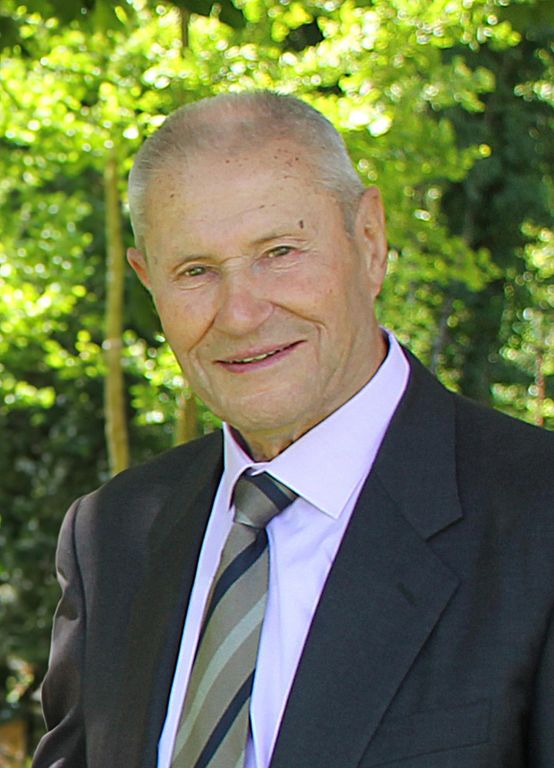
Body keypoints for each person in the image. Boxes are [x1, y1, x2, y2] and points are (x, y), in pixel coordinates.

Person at [33, 91, 554, 768]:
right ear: (147, 280)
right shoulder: (111, 536)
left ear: (370, 241)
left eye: (279, 252)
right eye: (195, 271)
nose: (241, 313)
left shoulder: (537, 518)